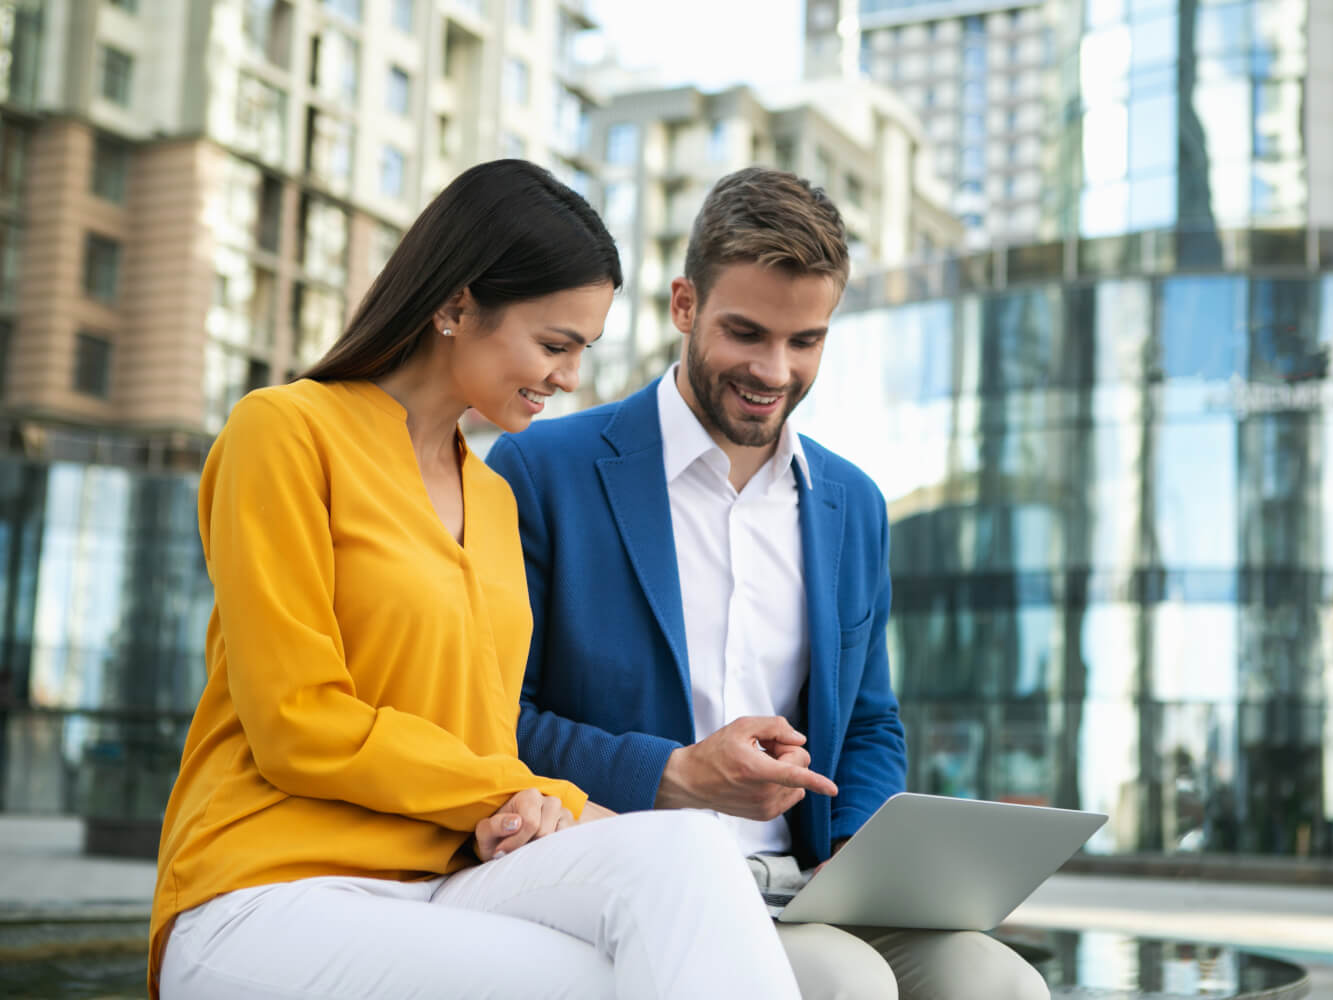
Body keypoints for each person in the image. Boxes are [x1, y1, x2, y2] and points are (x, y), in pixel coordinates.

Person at [149, 160, 802, 1000]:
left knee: (690, 850)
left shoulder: (492, 499)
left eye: (583, 351)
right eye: (554, 343)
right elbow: (294, 721)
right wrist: (525, 790)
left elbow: (485, 742)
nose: (569, 377)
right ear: (456, 306)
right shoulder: (283, 433)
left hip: (442, 878)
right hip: (265, 884)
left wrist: (527, 802)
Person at [487, 166, 1050, 1000]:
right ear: (685, 306)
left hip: (807, 883)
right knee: (845, 984)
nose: (775, 371)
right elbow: (501, 717)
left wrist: (861, 845)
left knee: (1000, 985)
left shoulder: (851, 502)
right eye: (746, 333)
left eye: (805, 341)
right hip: (634, 868)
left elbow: (869, 721)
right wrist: (674, 770)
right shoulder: (543, 470)